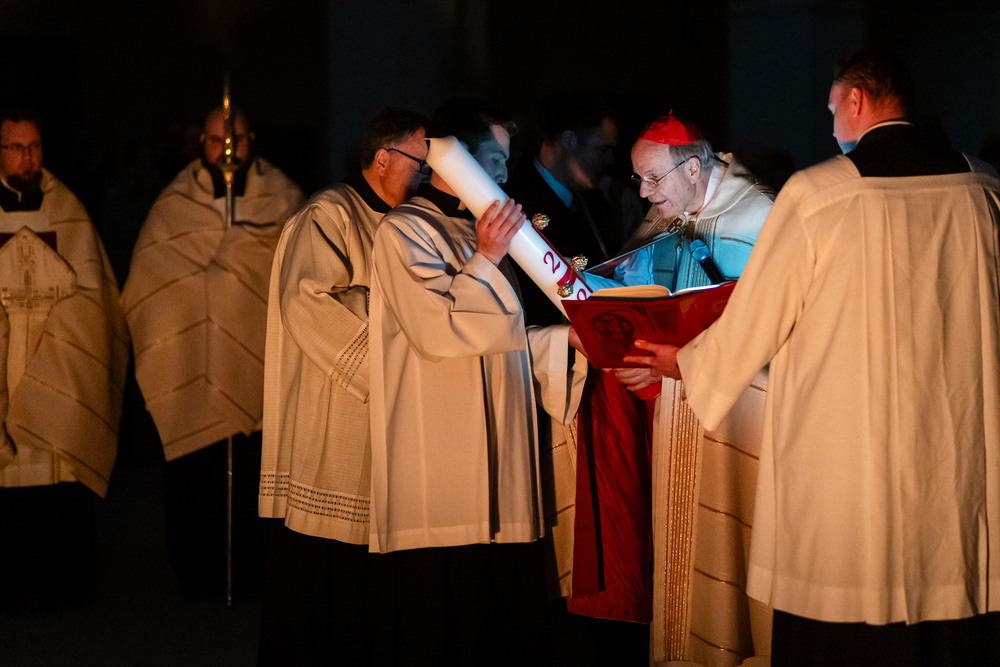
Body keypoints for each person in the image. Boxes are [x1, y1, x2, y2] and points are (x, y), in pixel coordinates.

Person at [623, 51, 1000, 666]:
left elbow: (758, 315)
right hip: (957, 446)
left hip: (855, 448)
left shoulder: (820, 194)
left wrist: (686, 364)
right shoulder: (983, 187)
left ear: (856, 101)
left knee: (854, 593)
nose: (831, 127)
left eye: (831, 110)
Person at [367, 98, 586, 665]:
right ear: (456, 160)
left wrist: (564, 340)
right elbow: (438, 332)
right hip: (444, 455)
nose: (504, 177)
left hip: (504, 448)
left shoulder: (479, 231)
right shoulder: (403, 230)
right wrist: (486, 258)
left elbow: (502, 339)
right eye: (493, 160)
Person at [572, 114, 775, 666]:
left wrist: (681, 362)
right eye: (637, 179)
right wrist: (587, 295)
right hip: (673, 411)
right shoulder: (665, 209)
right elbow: (634, 286)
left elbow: (773, 326)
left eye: (652, 179)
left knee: (729, 549)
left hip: (740, 415)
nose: (642, 193)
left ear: (691, 169)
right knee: (680, 551)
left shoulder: (761, 216)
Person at [255, 107, 429, 665]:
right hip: (340, 405)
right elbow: (303, 301)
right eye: (419, 163)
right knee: (330, 565)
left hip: (389, 413)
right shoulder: (328, 214)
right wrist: (394, 338)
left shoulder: (410, 220)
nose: (425, 176)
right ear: (383, 158)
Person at [121, 106, 304, 598]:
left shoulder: (284, 198)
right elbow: (148, 286)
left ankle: (258, 572)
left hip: (260, 372)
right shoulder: (173, 204)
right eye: (216, 140)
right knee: (197, 484)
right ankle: (197, 574)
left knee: (255, 478)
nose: (227, 151)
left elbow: (303, 276)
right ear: (199, 142)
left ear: (252, 140)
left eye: (236, 139)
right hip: (192, 370)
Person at [0, 105, 129, 607]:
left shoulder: (68, 212)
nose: (27, 158)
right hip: (4, 361)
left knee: (57, 474)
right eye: (16, 147)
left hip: (57, 360)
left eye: (34, 147)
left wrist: (63, 332)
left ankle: (63, 588)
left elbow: (95, 294)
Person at [505, 93, 640, 326]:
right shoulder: (516, 204)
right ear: (568, 140)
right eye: (603, 150)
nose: (610, 161)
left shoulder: (595, 200)